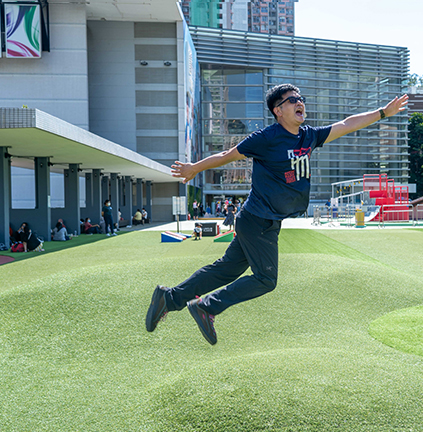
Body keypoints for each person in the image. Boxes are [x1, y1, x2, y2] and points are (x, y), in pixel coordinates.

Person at [145, 83, 409, 344]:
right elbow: (229, 154)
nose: (299, 102)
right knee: (266, 278)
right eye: (292, 100)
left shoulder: (308, 136)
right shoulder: (266, 138)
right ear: (277, 110)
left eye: (300, 98)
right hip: (258, 219)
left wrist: (383, 113)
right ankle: (207, 307)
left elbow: (346, 124)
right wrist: (194, 168)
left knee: (226, 270)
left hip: (265, 221)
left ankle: (169, 298)